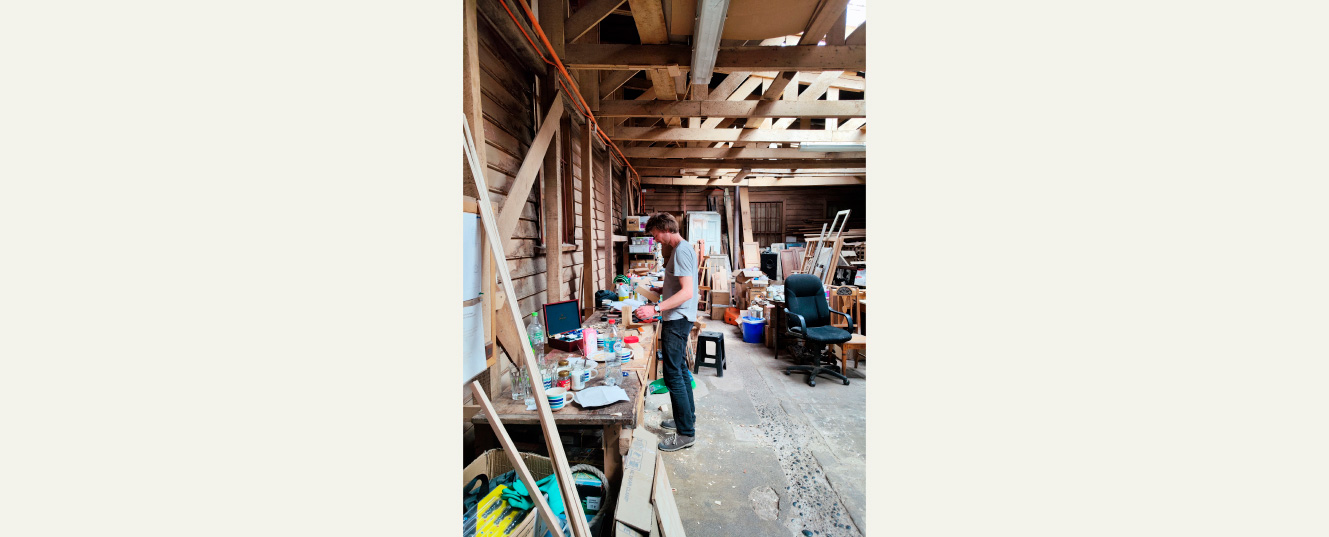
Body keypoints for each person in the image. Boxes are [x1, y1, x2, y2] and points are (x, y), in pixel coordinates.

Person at [634, 213, 699, 452]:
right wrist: (664, 287)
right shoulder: (685, 248)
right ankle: (687, 419)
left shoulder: (680, 250)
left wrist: (655, 307)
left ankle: (686, 434)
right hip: (681, 317)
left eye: (655, 235)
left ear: (665, 229)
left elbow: (687, 292)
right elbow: (681, 285)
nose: (656, 240)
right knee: (680, 370)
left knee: (672, 374)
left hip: (678, 318)